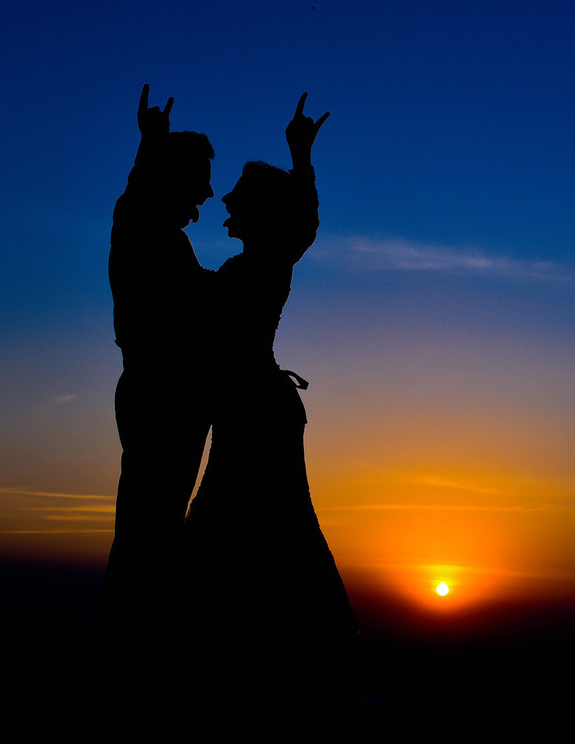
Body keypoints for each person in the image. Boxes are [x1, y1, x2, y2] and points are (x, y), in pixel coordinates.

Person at [181, 95, 357, 710]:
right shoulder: (246, 267)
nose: (226, 206)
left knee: (257, 526)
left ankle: (312, 660)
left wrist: (301, 158)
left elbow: (302, 226)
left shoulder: (266, 262)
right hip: (253, 409)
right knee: (265, 526)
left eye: (237, 201)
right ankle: (301, 656)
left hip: (258, 411)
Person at [102, 85, 215, 638]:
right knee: (149, 531)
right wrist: (150, 145)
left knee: (153, 529)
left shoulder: (158, 233)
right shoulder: (146, 230)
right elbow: (135, 198)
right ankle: (133, 639)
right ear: (174, 178)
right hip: (159, 402)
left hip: (165, 401)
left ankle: (137, 631)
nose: (210, 192)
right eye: (201, 178)